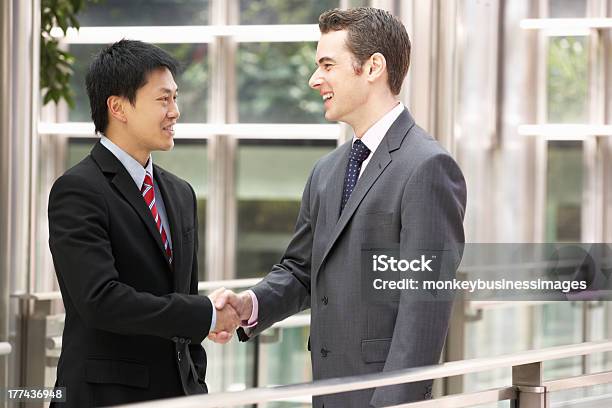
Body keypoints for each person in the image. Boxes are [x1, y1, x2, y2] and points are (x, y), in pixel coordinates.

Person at [210, 7, 467, 408]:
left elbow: (423, 312)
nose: (315, 80)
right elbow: (300, 271)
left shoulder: (428, 167)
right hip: (327, 393)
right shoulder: (327, 170)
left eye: (327, 65)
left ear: (373, 68)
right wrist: (251, 304)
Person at [48, 40, 238, 407]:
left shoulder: (180, 193)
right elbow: (100, 300)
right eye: (163, 99)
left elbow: (182, 291)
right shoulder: (78, 190)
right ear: (118, 106)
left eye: (175, 98)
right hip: (106, 396)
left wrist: (195, 380)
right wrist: (205, 315)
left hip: (178, 396)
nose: (175, 112)